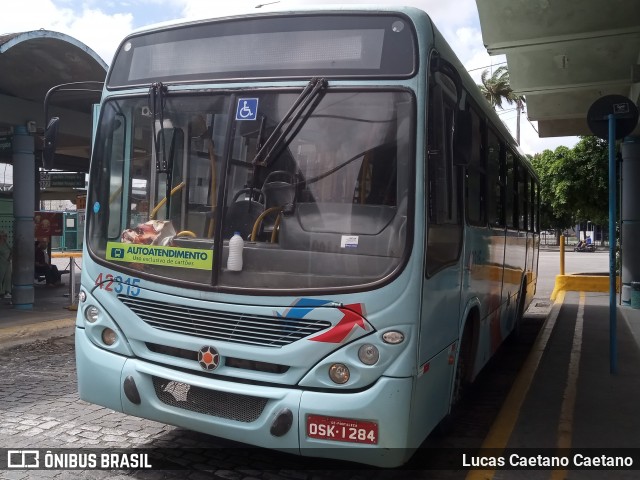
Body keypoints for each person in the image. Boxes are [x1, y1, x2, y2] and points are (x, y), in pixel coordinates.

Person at [0, 231, 11, 298]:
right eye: (3, 236)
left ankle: (7, 291)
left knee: (8, 277)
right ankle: (1, 292)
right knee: (1, 277)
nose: (5, 238)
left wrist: (10, 257)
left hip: (7, 263)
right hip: (1, 262)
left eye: (5, 236)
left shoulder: (6, 244)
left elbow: (11, 250)